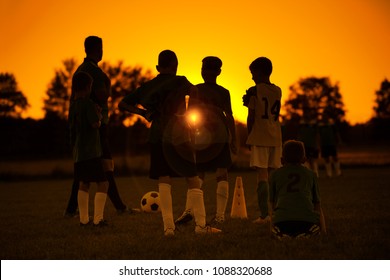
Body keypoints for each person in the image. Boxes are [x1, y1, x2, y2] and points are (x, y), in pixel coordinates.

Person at [119, 50, 221, 236]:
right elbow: (196, 92)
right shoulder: (180, 81)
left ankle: (168, 228)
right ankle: (200, 226)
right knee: (192, 179)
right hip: (179, 134)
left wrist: (143, 113)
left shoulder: (148, 86)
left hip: (158, 135)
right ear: (175, 66)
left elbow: (123, 104)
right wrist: (188, 110)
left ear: (158, 67)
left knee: (164, 180)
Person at [64, 36, 132, 218]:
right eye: (101, 48)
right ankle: (118, 208)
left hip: (82, 130)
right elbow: (103, 96)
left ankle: (72, 209)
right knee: (105, 166)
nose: (103, 51)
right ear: (97, 49)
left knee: (83, 170)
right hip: (96, 125)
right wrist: (107, 86)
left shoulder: (80, 70)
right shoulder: (94, 72)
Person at [175, 56, 237, 226]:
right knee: (221, 174)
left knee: (199, 174)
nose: (205, 71)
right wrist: (234, 137)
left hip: (203, 136)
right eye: (204, 68)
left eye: (207, 68)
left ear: (217, 72)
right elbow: (229, 117)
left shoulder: (196, 89)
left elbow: (190, 114)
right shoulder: (223, 91)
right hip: (219, 135)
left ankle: (189, 210)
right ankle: (219, 216)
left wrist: (190, 133)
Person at [243, 57, 282, 224]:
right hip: (276, 136)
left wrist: (248, 135)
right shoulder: (278, 90)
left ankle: (265, 215)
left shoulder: (255, 91)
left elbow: (251, 116)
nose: (252, 77)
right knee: (274, 176)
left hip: (260, 135)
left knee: (262, 176)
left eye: (253, 73)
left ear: (260, 72)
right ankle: (278, 211)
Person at [68, 71, 108, 226]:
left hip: (79, 152)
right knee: (103, 183)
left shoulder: (73, 106)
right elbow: (95, 124)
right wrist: (98, 114)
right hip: (91, 151)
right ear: (88, 87)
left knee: (83, 183)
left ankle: (83, 220)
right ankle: (98, 219)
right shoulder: (87, 103)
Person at [269, 140, 327, 239]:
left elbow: (271, 204)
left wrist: (272, 224)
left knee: (276, 230)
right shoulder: (311, 175)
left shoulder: (275, 174)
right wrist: (324, 230)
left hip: (283, 221)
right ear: (304, 159)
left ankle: (281, 234)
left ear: (282, 160)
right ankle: (306, 234)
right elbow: (317, 204)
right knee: (314, 229)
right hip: (306, 221)